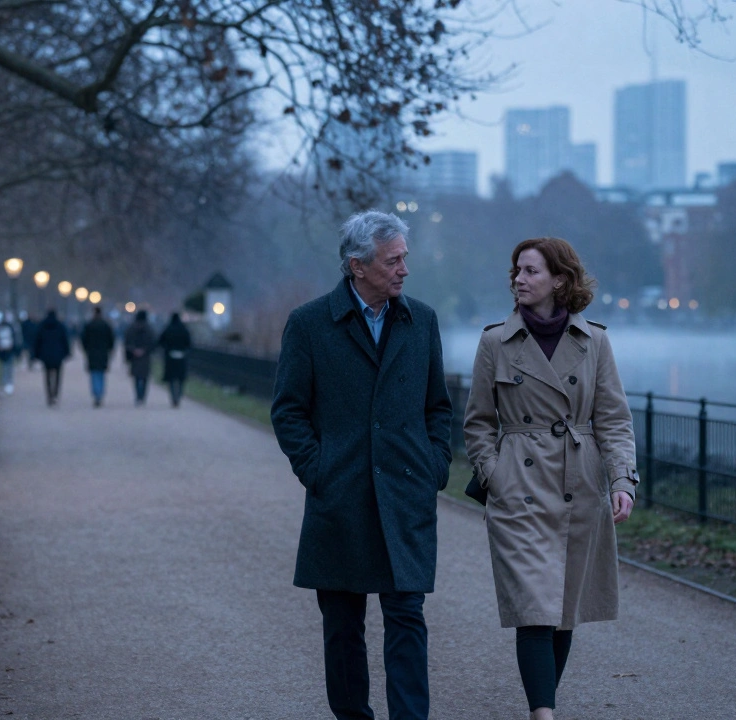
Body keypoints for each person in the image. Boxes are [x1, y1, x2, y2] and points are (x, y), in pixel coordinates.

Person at [271, 210, 452, 720]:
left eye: (404, 259)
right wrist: (318, 469)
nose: (403, 270)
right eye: (393, 261)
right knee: (343, 629)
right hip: (341, 497)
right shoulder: (309, 324)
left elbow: (438, 407)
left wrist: (434, 465)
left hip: (405, 495)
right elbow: (288, 410)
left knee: (407, 620)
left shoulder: (422, 320)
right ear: (357, 266)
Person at [461, 237, 638, 720]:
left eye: (531, 271)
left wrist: (623, 480)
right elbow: (478, 421)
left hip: (579, 484)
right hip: (518, 486)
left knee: (563, 611)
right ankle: (544, 714)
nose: (519, 278)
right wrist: (493, 474)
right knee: (533, 608)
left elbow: (614, 419)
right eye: (516, 270)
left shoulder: (594, 341)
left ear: (560, 279)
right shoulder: (495, 341)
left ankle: (543, 706)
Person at [32, 310, 70, 406]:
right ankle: (55, 394)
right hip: (58, 354)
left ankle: (49, 395)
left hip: (46, 354)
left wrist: (36, 355)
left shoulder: (42, 326)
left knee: (47, 376)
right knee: (57, 376)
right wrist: (67, 353)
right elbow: (65, 340)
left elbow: (37, 341)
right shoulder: (60, 326)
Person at [80, 306, 115, 407]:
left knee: (94, 374)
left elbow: (83, 339)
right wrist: (110, 350)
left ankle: (96, 394)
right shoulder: (106, 325)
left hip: (92, 353)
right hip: (103, 353)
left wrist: (86, 349)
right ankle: (100, 393)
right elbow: (111, 340)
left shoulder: (89, 325)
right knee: (101, 375)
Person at [123, 309, 157, 406]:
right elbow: (153, 343)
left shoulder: (131, 328)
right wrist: (145, 350)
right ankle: (142, 396)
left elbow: (127, 342)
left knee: (136, 378)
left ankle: (138, 395)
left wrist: (133, 350)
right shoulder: (150, 329)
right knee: (145, 378)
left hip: (134, 357)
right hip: (145, 356)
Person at [157, 312, 191, 408]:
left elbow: (160, 341)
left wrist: (167, 348)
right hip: (182, 357)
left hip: (170, 357)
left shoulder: (168, 329)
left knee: (171, 378)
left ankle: (173, 397)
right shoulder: (184, 329)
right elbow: (189, 343)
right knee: (180, 378)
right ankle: (179, 396)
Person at [0, 311, 20, 395]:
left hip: (9, 350)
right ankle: (5, 383)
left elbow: (15, 339)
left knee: (8, 366)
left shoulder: (10, 328)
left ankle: (8, 383)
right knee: (5, 367)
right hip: (3, 350)